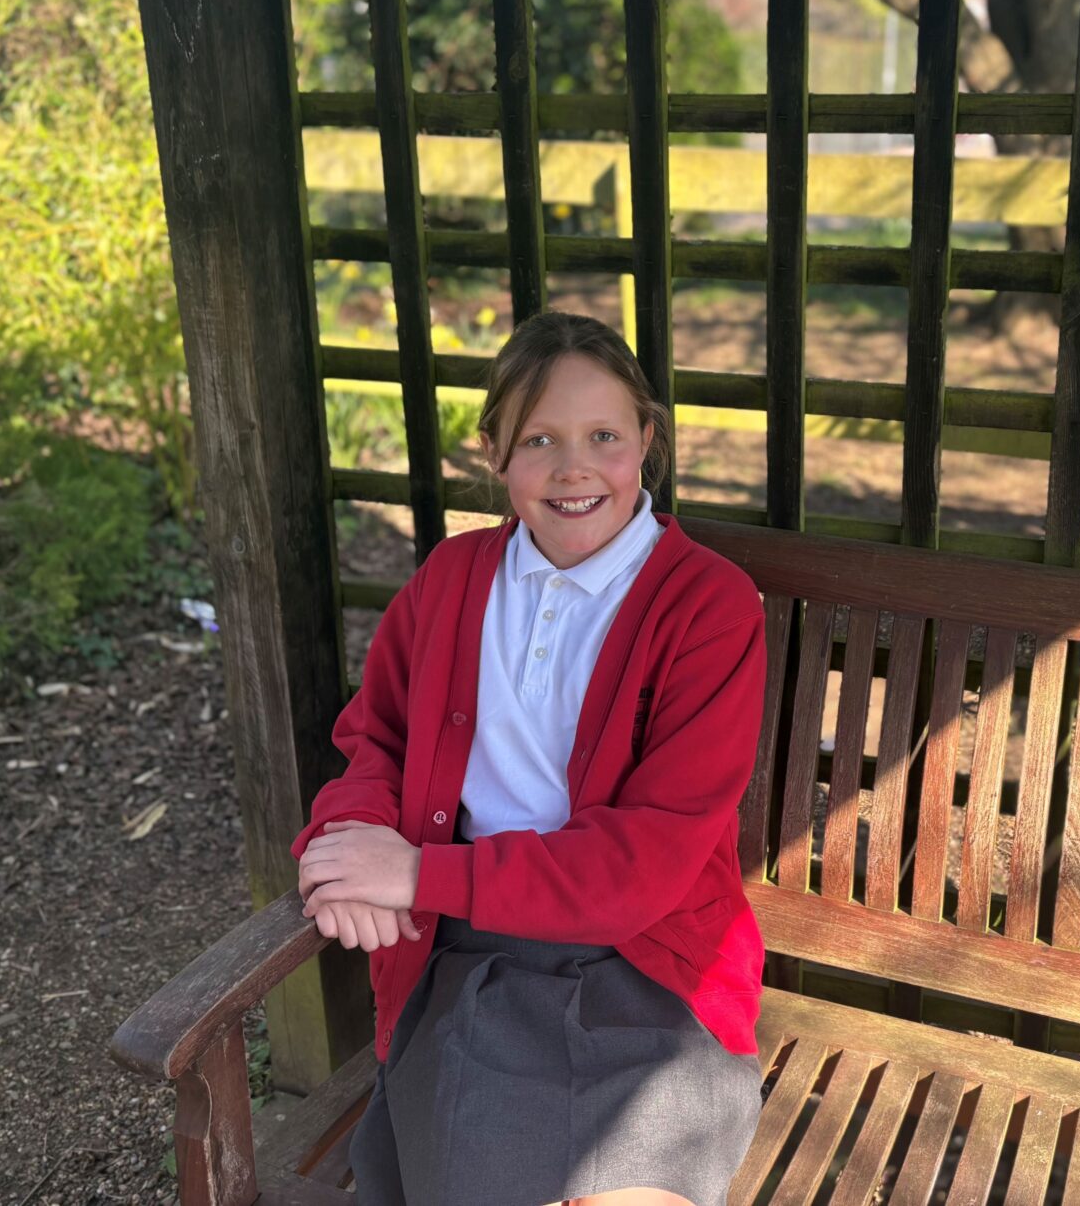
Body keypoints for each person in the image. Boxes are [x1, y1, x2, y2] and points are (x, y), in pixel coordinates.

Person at [291, 310, 770, 1206]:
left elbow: (648, 862)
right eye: (539, 439)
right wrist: (351, 839)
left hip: (650, 967)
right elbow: (376, 738)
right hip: (472, 961)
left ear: (647, 441)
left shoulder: (708, 606)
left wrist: (415, 874)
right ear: (496, 455)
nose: (573, 467)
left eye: (604, 436)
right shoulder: (452, 578)